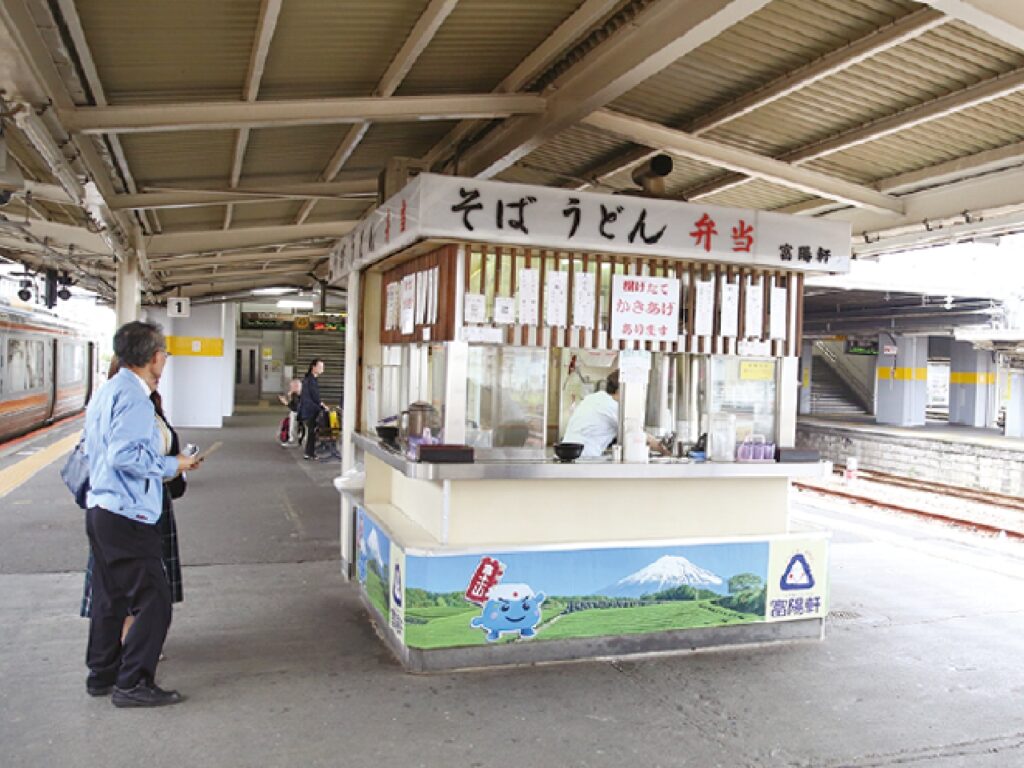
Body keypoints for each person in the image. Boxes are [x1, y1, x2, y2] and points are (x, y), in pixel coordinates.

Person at [82, 321, 200, 708]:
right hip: (127, 514)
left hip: (102, 509)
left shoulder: (109, 390)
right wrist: (174, 464)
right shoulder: (134, 397)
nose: (165, 358)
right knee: (154, 600)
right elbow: (125, 456)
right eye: (164, 352)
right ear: (153, 357)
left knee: (109, 597)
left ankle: (103, 673)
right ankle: (132, 682)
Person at [561, 370, 666, 458]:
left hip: (569, 453)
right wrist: (664, 450)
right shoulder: (612, 406)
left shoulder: (596, 397)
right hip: (584, 456)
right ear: (621, 389)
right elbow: (636, 433)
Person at [298, 359, 327, 460]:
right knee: (312, 432)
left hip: (311, 409)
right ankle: (309, 453)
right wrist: (320, 406)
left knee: (312, 433)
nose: (322, 369)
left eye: (323, 367)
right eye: (320, 367)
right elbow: (310, 397)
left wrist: (321, 403)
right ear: (313, 367)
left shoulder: (311, 379)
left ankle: (310, 452)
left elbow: (315, 397)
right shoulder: (309, 380)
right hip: (309, 411)